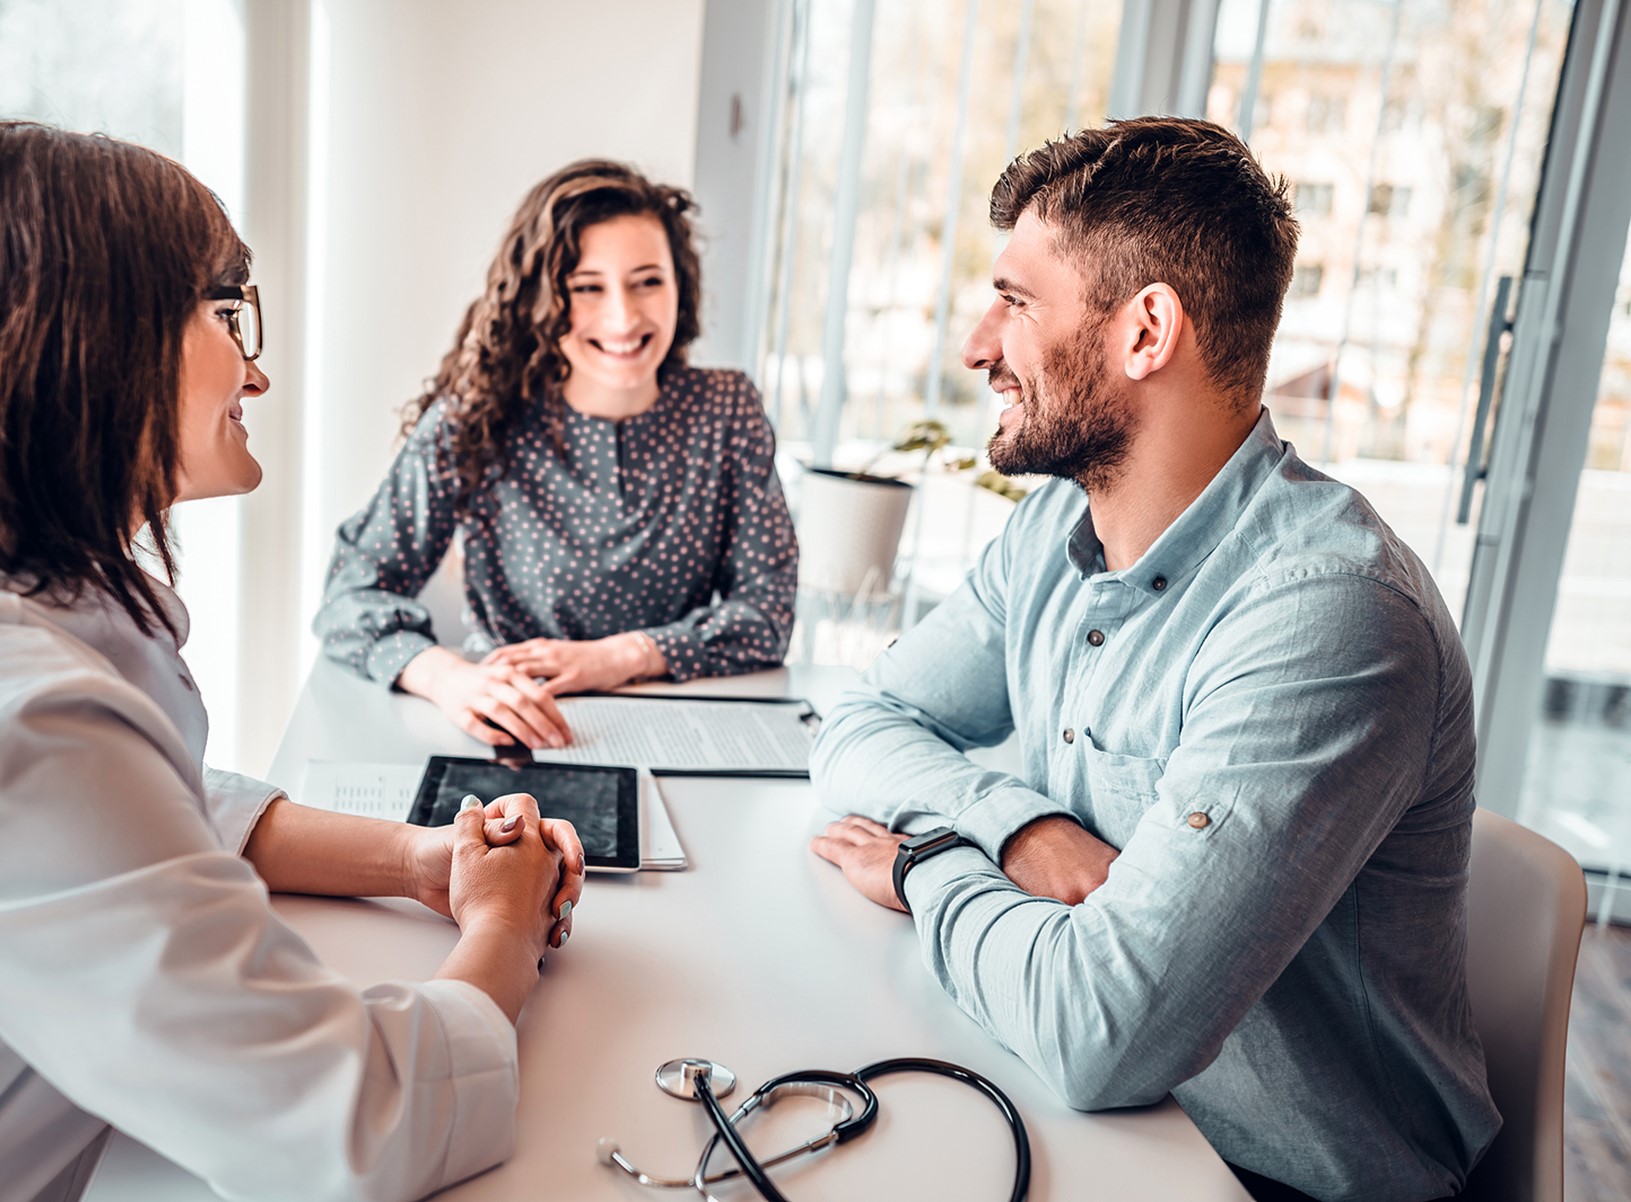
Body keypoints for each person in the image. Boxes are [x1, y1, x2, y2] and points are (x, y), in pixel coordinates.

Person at [0, 121, 584, 1202]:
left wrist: (419, 859)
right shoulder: (11, 723)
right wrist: (503, 923)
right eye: (231, 310)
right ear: (89, 337)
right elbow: (358, 1125)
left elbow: (146, 810)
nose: (259, 370)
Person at [806, 117, 1499, 1202]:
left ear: (1145, 332)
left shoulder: (1330, 620)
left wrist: (921, 862)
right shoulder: (1052, 532)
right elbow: (859, 723)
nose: (976, 345)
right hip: (1094, 1121)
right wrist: (1017, 828)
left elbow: (1101, 1032)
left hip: (1275, 1178)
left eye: (1017, 302)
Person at [314, 160, 798, 750]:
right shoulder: (473, 421)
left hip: (684, 728)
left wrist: (619, 657)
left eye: (648, 281)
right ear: (541, 298)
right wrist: (449, 680)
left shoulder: (728, 411)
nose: (623, 316)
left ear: (682, 285)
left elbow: (767, 615)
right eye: (587, 287)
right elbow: (349, 597)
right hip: (520, 732)